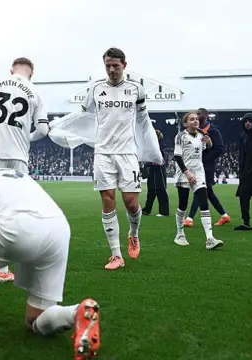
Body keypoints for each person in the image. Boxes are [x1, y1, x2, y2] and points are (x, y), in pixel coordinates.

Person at [0, 167, 101, 359]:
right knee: (35, 321)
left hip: (20, 229)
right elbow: (11, 237)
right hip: (58, 230)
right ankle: (79, 312)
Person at [79, 48, 162, 270]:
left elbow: (144, 120)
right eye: (108, 65)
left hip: (127, 152)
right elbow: (83, 117)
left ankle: (133, 234)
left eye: (115, 65)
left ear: (124, 65)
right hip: (103, 152)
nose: (112, 69)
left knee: (131, 202)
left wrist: (151, 148)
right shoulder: (95, 89)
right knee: (108, 200)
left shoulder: (136, 89)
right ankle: (116, 255)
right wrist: (61, 128)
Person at [0, 57, 50, 283]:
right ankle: (3, 269)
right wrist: (25, 138)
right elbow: (44, 131)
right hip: (17, 158)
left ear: (11, 70)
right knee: (11, 211)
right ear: (31, 74)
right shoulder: (36, 93)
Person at [172, 112, 224, 249]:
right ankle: (179, 234)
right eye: (192, 119)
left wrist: (210, 143)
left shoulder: (201, 135)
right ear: (185, 123)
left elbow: (206, 149)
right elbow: (177, 157)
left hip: (199, 172)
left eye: (196, 119)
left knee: (204, 203)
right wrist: (187, 172)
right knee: (182, 205)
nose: (195, 121)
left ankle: (210, 238)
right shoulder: (180, 136)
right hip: (184, 173)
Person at [184, 108, 231, 227]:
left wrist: (205, 159)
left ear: (206, 116)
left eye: (199, 114)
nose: (196, 116)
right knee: (208, 192)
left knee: (199, 189)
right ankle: (224, 216)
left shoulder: (213, 131)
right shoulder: (197, 131)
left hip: (207, 166)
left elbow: (219, 148)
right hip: (198, 165)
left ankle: (189, 218)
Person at [142, 129, 169, 216]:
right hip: (153, 171)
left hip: (159, 171)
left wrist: (149, 162)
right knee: (151, 191)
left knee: (161, 190)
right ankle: (147, 209)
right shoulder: (153, 147)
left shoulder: (160, 147)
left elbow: (162, 160)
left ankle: (164, 211)